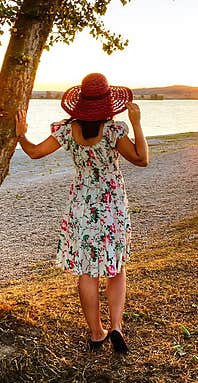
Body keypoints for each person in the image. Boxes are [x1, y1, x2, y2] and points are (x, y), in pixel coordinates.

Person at [15, 73, 149, 354]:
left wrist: (21, 134)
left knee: (87, 271)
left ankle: (96, 332)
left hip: (82, 205)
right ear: (107, 103)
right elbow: (141, 159)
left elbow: (35, 153)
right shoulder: (113, 131)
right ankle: (116, 327)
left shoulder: (67, 130)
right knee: (116, 267)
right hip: (112, 203)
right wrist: (136, 124)